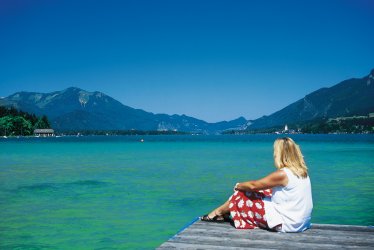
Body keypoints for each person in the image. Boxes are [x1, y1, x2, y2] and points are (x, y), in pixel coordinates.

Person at [200, 137, 313, 232]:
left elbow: (254, 185)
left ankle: (217, 213)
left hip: (287, 224)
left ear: (280, 154)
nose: (274, 154)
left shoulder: (283, 174)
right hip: (301, 222)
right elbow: (261, 186)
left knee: (241, 194)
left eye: (275, 151)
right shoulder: (302, 171)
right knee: (263, 191)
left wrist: (238, 185)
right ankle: (221, 213)